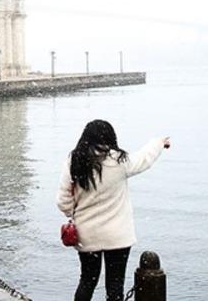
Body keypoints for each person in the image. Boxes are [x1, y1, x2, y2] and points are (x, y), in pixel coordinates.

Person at [57, 120, 170, 301]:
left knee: (87, 280)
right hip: (117, 236)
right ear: (111, 137)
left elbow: (63, 201)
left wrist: (73, 213)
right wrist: (158, 143)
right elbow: (143, 159)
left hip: (87, 235)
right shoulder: (120, 161)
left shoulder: (74, 161)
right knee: (115, 285)